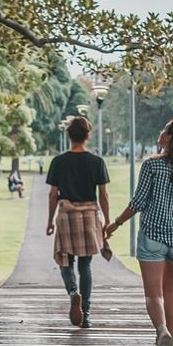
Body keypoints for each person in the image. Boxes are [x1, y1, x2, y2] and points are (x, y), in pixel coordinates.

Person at [105, 119, 173, 346]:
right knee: (171, 290)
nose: (160, 132)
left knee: (153, 294)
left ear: (169, 138)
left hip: (153, 237)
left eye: (164, 130)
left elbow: (137, 202)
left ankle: (162, 332)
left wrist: (116, 223)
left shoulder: (151, 166)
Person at [46, 117, 109, 329]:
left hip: (66, 216)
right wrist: (107, 221)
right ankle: (87, 313)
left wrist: (50, 221)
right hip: (89, 216)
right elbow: (104, 195)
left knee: (65, 261)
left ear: (69, 136)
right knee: (85, 265)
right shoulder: (97, 162)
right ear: (88, 136)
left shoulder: (58, 162)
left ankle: (73, 293)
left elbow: (53, 194)